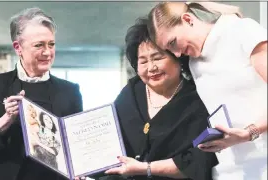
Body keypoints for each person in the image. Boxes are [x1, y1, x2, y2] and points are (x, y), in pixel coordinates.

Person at [147, 2, 267, 180]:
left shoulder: (240, 30)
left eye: (173, 42)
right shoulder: (194, 64)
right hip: (230, 169)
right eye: (169, 49)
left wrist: (250, 132)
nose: (177, 53)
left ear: (188, 19)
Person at [104, 17, 218, 180]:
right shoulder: (131, 92)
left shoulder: (198, 100)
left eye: (158, 58)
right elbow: (109, 141)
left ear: (178, 57)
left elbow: (200, 161)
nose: (151, 68)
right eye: (143, 61)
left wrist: (147, 168)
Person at [0, 7, 83, 180]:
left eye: (51, 44)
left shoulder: (70, 91)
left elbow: (77, 147)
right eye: (39, 45)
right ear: (18, 47)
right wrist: (4, 121)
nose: (47, 52)